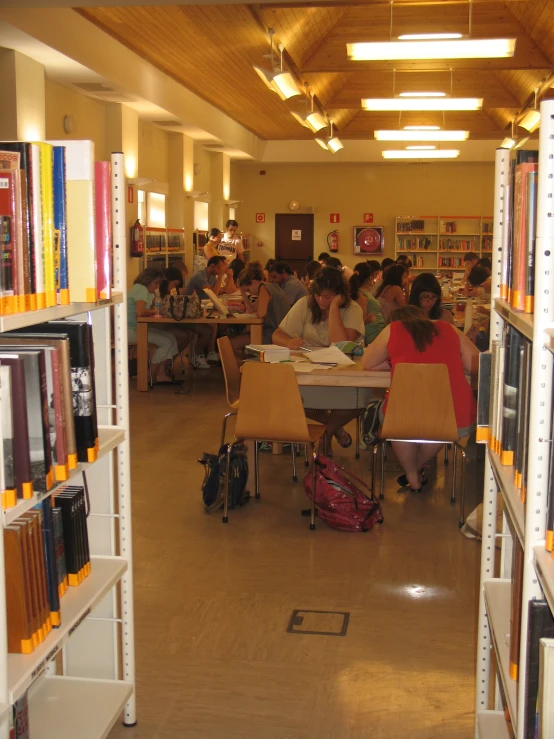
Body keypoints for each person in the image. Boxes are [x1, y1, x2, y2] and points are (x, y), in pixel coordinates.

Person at [362, 305, 479, 491]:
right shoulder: (449, 328)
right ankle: (415, 470)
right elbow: (476, 363)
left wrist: (396, 364)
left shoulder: (392, 329)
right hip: (454, 413)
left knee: (398, 423)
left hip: (402, 414)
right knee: (439, 425)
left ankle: (412, 474)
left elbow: (367, 363)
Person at [272, 267, 367, 455]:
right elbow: (277, 335)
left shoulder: (352, 309)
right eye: (318, 295)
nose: (321, 300)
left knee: (358, 402)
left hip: (347, 374)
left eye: (328, 297)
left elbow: (340, 343)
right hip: (312, 371)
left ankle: (326, 433)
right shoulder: (305, 304)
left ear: (340, 295)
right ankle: (334, 428)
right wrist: (289, 341)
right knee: (293, 398)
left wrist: (334, 309)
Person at [127, 267, 182, 385]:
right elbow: (140, 312)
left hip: (137, 328)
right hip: (130, 331)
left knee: (171, 337)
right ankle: (149, 374)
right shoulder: (141, 289)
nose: (157, 286)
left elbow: (148, 308)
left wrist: (154, 310)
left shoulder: (144, 291)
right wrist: (156, 311)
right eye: (156, 283)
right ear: (148, 280)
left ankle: (161, 374)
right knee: (166, 342)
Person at [160, 266, 216, 370]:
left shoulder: (172, 291)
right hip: (169, 322)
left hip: (178, 319)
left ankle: (170, 361)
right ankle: (169, 362)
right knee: (206, 331)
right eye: (174, 284)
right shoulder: (158, 292)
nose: (173, 287)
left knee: (206, 330)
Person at [229, 263, 290, 356]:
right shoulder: (270, 286)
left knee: (230, 344)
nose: (250, 293)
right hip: (280, 332)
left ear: (253, 282)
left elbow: (261, 314)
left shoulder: (264, 289)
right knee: (239, 347)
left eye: (248, 290)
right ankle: (246, 366)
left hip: (272, 334)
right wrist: (242, 291)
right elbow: (251, 309)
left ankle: (244, 368)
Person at [349, 262, 386, 345]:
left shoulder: (365, 291)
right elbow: (361, 319)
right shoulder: (360, 293)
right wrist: (368, 319)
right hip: (373, 330)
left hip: (378, 327)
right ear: (370, 276)